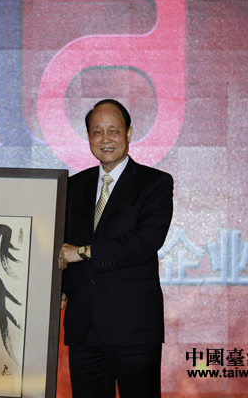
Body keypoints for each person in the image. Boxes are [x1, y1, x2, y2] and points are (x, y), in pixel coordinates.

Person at [58, 99, 173, 397]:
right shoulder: (73, 186)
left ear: (129, 133)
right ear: (88, 137)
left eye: (114, 130)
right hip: (84, 327)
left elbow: (145, 242)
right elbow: (63, 245)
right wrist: (61, 287)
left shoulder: (155, 183)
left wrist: (83, 252)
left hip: (133, 327)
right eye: (97, 131)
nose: (105, 139)